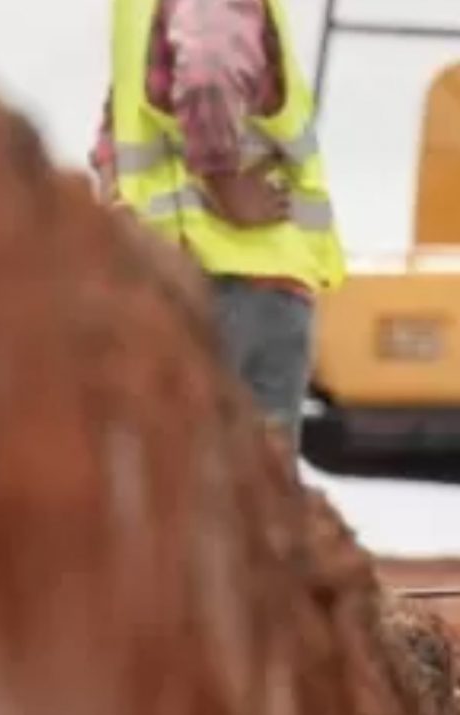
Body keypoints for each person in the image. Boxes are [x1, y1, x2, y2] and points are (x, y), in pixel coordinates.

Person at [96, 0, 345, 456]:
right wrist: (225, 181)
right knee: (243, 487)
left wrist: (114, 199)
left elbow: (121, 122)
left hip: (184, 281)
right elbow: (207, 75)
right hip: (241, 284)